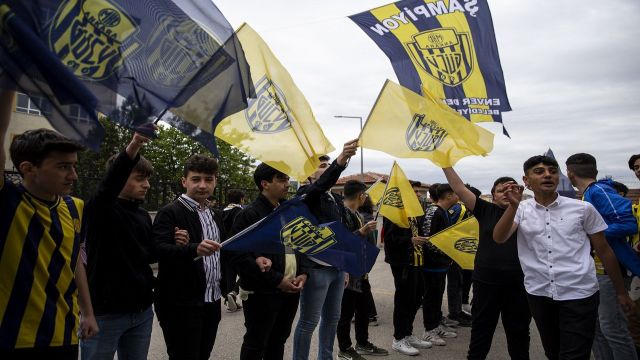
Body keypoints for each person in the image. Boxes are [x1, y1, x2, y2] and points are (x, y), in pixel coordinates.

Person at [493, 155, 635, 359]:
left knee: (575, 354)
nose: (548, 175)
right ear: (526, 180)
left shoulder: (583, 209)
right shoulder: (521, 209)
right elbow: (499, 237)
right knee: (553, 352)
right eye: (539, 171)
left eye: (552, 170)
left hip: (579, 292)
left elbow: (604, 250)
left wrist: (621, 292)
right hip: (539, 293)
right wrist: (513, 206)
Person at [0, 90, 98, 359]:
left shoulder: (74, 207)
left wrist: (88, 312)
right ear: (29, 168)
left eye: (74, 166)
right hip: (12, 336)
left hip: (63, 332)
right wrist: (10, 81)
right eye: (63, 167)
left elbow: (75, 259)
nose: (73, 175)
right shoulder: (7, 199)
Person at [81, 131, 156, 359]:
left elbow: (148, 256)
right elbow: (106, 188)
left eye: (147, 179)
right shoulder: (99, 210)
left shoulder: (143, 215)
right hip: (105, 315)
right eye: (139, 178)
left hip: (142, 313)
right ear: (120, 176)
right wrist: (134, 145)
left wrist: (183, 244)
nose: (147, 185)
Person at [442, 167, 531, 359]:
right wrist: (444, 161)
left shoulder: (527, 212)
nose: (506, 194)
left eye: (511, 190)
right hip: (486, 281)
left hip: (519, 282)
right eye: (501, 190)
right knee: (482, 330)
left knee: (519, 332)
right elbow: (458, 187)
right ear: (492, 196)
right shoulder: (484, 209)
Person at [230, 163, 310, 360]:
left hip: (291, 290)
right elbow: (238, 255)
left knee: (278, 340)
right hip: (262, 293)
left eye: (287, 179)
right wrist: (277, 280)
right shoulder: (249, 215)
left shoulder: (288, 212)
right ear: (265, 183)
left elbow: (301, 246)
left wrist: (304, 273)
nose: (287, 184)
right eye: (281, 179)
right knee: (256, 343)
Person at [292, 140, 362, 360]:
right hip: (316, 268)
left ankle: (326, 357)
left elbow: (341, 235)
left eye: (326, 164)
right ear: (307, 174)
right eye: (321, 166)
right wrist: (340, 162)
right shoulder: (306, 194)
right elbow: (319, 186)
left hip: (337, 268)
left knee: (333, 319)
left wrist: (346, 267)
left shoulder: (336, 199)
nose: (325, 168)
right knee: (308, 322)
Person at [565, 153, 639, 359]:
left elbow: (628, 223)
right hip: (595, 271)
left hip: (611, 270)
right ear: (594, 171)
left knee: (613, 329)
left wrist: (589, 235)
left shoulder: (599, 190)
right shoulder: (589, 193)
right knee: (597, 328)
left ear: (569, 174)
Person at [153, 154, 226, 360]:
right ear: (184, 181)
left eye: (208, 179)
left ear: (215, 182)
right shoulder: (170, 212)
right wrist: (193, 249)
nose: (202, 185)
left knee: (203, 355)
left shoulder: (215, 215)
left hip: (212, 300)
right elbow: (158, 250)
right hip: (180, 304)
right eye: (196, 179)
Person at [337, 180, 387, 360]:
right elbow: (339, 242)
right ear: (360, 195)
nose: (366, 197)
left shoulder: (357, 214)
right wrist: (362, 231)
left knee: (363, 309)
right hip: (347, 271)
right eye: (364, 194)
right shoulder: (341, 213)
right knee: (346, 312)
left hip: (360, 270)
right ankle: (344, 348)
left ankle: (363, 343)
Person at [382, 182, 433, 356]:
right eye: (415, 191)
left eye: (419, 191)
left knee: (416, 298)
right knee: (404, 300)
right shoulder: (394, 213)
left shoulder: (416, 212)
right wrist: (410, 241)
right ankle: (398, 339)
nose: (418, 194)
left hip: (418, 261)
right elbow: (389, 238)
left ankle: (408, 334)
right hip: (403, 263)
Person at [418, 184, 458, 346]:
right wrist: (449, 251)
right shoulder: (434, 211)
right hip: (431, 264)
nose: (458, 196)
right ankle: (429, 331)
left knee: (437, 296)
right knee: (431, 297)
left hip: (441, 264)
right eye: (455, 193)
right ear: (448, 196)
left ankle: (436, 325)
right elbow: (427, 240)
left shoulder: (444, 212)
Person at [222, 189, 245, 312]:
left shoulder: (222, 211)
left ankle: (229, 299)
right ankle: (233, 293)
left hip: (224, 247)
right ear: (241, 198)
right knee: (248, 271)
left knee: (229, 274)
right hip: (238, 247)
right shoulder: (240, 212)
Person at [358, 195, 380, 326]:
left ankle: (370, 315)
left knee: (363, 286)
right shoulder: (368, 216)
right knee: (363, 285)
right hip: (365, 256)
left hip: (362, 256)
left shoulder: (363, 217)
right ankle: (368, 314)